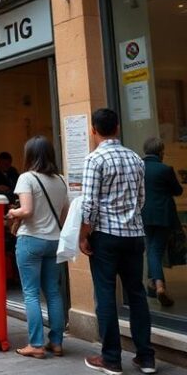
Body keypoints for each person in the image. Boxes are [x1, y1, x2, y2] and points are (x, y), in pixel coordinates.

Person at [79, 108, 155, 375]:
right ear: (118, 127)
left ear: (93, 130)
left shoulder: (94, 159)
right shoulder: (136, 158)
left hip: (106, 237)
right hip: (134, 235)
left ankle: (111, 359)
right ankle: (146, 357)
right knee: (137, 295)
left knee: (106, 295)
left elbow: (89, 204)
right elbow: (142, 199)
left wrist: (84, 235)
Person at [6, 136, 69, 359]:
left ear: (30, 155)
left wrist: (13, 213)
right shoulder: (61, 180)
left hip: (31, 240)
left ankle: (36, 344)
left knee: (31, 293)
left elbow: (27, 210)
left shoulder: (27, 178)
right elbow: (64, 214)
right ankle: (57, 342)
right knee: (53, 292)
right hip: (54, 241)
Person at [142, 136, 183, 308]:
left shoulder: (139, 168)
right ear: (161, 151)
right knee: (155, 251)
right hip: (163, 216)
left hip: (143, 215)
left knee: (151, 249)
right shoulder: (165, 169)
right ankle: (159, 286)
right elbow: (178, 190)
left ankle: (153, 286)